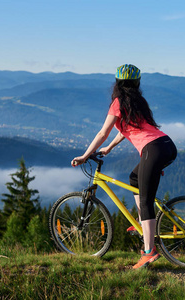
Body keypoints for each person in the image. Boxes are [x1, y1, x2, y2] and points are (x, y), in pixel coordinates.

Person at [71, 64, 177, 269]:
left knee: (146, 202)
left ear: (118, 83)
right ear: (137, 83)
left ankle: (149, 252)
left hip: (153, 150)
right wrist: (109, 148)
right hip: (166, 146)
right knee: (134, 178)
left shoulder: (118, 102)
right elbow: (125, 129)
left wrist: (85, 156)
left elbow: (103, 132)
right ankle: (141, 224)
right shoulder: (138, 101)